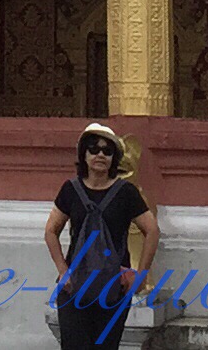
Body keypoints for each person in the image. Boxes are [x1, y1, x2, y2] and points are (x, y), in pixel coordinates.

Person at [44, 122, 159, 350]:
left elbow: (152, 230)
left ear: (114, 158)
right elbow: (50, 231)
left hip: (114, 287)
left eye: (107, 151)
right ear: (84, 154)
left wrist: (141, 275)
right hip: (75, 284)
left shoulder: (126, 193)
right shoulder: (70, 190)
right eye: (94, 149)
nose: (100, 155)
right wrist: (63, 271)